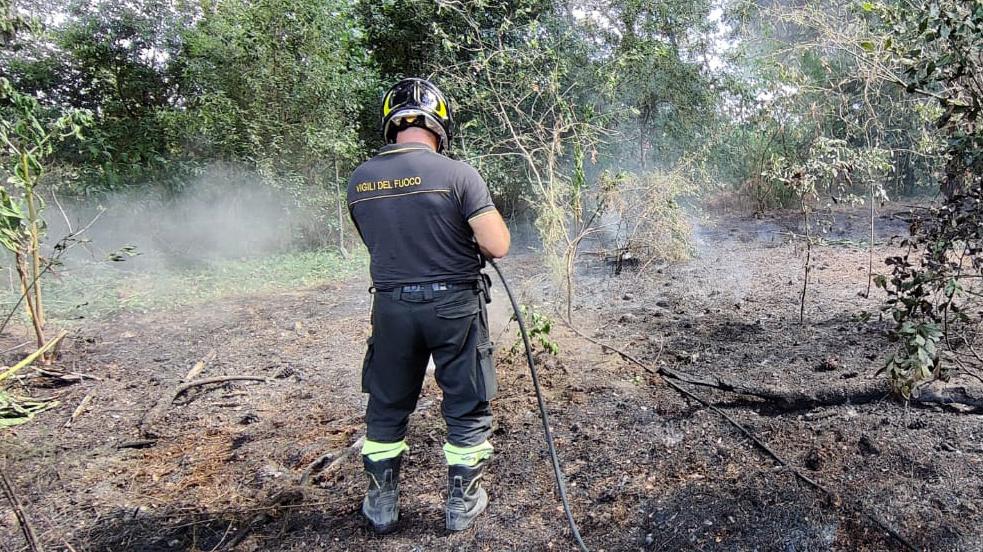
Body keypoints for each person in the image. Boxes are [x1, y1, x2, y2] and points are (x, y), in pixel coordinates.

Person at [346, 77, 511, 534]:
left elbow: (378, 241)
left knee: (387, 404)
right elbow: (497, 245)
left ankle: (381, 503)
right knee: (466, 402)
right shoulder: (458, 175)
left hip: (392, 308)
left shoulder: (359, 179)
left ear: (391, 125)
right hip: (453, 307)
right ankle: (462, 502)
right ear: (440, 125)